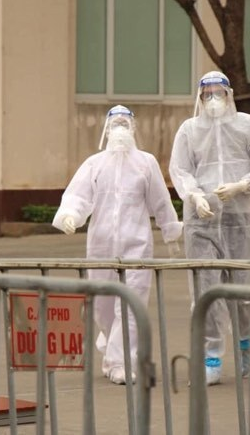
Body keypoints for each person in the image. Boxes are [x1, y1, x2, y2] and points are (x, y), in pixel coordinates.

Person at [52, 105, 183, 385]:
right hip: (101, 245)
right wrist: (70, 215)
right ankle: (111, 344)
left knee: (131, 304)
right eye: (116, 123)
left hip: (137, 245)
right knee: (103, 305)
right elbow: (78, 195)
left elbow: (160, 201)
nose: (120, 128)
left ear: (133, 128)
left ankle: (122, 362)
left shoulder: (146, 163)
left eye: (125, 123)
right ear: (107, 129)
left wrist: (171, 233)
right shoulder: (94, 164)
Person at [169, 71, 250, 385]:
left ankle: (246, 348)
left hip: (238, 219)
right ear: (200, 97)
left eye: (219, 92)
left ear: (229, 94)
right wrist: (194, 196)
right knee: (205, 291)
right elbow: (180, 169)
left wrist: (243, 185)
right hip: (200, 220)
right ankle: (211, 359)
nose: (213, 99)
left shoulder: (248, 125)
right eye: (208, 94)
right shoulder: (189, 130)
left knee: (242, 290)